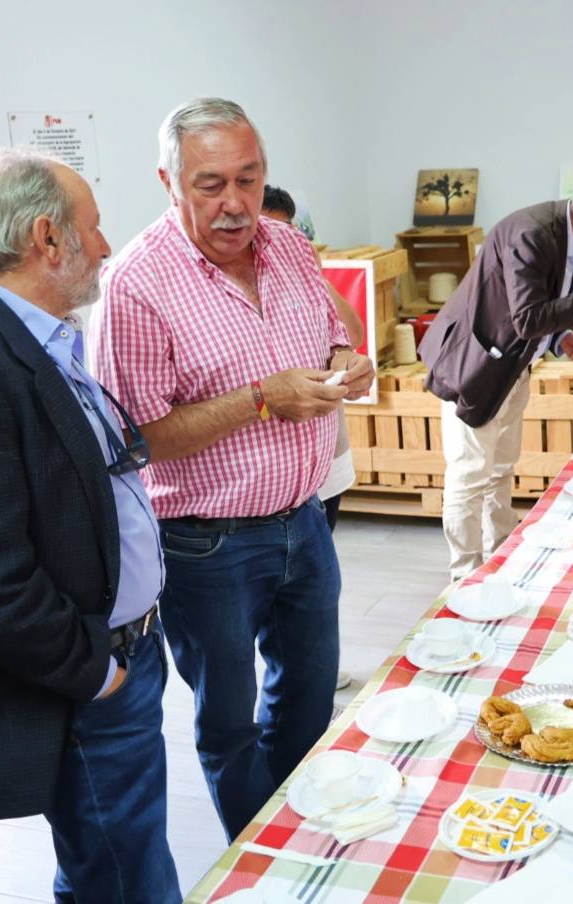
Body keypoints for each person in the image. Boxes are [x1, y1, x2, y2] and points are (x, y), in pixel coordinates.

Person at [90, 97, 375, 841]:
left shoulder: (288, 247)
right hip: (204, 545)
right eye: (210, 184)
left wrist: (345, 362)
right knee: (228, 723)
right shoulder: (136, 283)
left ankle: (298, 833)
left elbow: (330, 338)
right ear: (169, 181)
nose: (235, 203)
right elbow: (136, 439)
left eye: (248, 179)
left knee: (309, 697)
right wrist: (260, 399)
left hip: (305, 520)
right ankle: (260, 862)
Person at [0, 148, 178, 902]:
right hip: (85, 677)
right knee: (124, 877)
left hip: (128, 648)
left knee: (113, 859)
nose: (104, 245)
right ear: (47, 238)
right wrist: (97, 674)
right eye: (92, 227)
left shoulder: (45, 337)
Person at [420, 178, 573, 580]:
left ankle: (500, 559)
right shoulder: (532, 233)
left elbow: (535, 303)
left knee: (500, 470)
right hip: (475, 367)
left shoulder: (567, 237)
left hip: (511, 368)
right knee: (469, 475)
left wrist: (560, 335)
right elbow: (528, 318)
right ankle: (465, 577)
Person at [259, 183, 360, 692]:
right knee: (271, 586)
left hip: (325, 457)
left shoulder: (302, 276)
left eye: (289, 230)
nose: (279, 239)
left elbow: (352, 334)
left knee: (316, 573)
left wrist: (312, 272)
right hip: (269, 474)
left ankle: (312, 664)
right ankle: (290, 668)